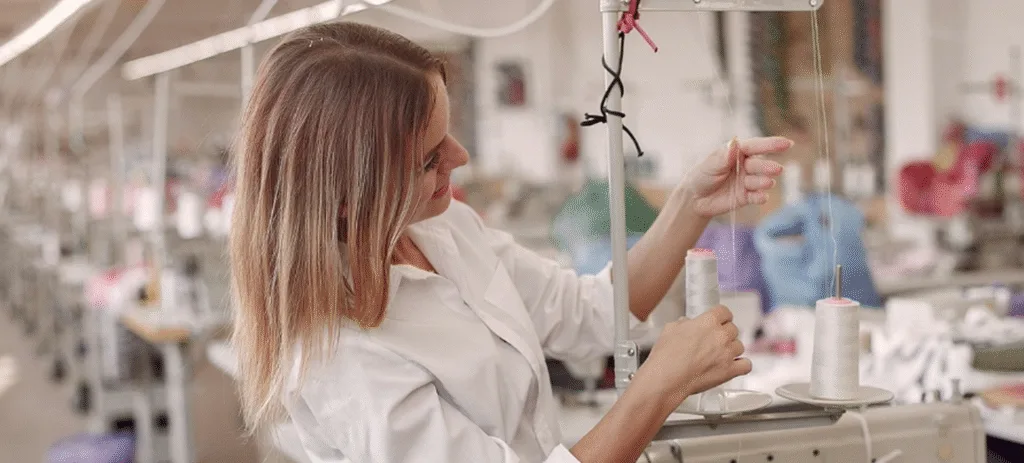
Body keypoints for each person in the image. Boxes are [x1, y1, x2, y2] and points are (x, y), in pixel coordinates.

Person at [229, 21, 792, 463]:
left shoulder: (445, 230)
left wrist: (690, 202)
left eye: (448, 134)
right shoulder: (336, 355)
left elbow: (591, 311)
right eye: (428, 159)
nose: (460, 158)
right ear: (346, 198)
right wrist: (659, 386)